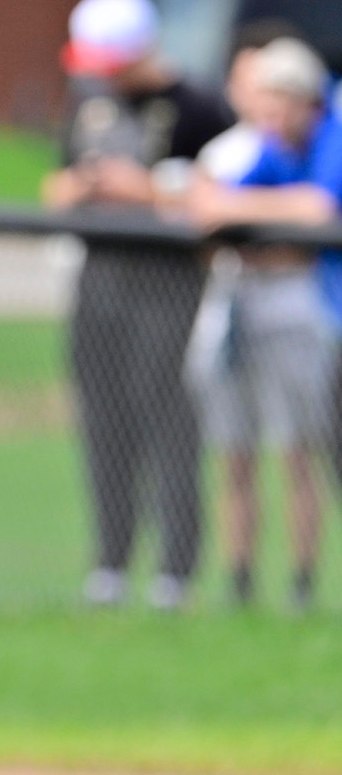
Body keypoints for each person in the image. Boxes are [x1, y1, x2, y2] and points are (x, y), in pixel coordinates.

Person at [43, 0, 234, 611]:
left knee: (168, 421)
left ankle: (176, 569)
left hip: (168, 282)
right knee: (103, 422)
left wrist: (146, 190)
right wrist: (74, 188)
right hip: (99, 280)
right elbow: (59, 175)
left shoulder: (200, 109)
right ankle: (110, 562)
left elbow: (218, 195)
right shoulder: (90, 106)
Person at [185, 37, 337, 611]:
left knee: (301, 453)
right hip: (246, 314)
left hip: (313, 316)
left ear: (306, 102)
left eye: (282, 104)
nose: (271, 118)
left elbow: (318, 211)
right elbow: (210, 208)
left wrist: (250, 218)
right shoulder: (269, 148)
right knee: (236, 453)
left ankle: (302, 585)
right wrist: (261, 217)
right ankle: (241, 585)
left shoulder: (331, 137)